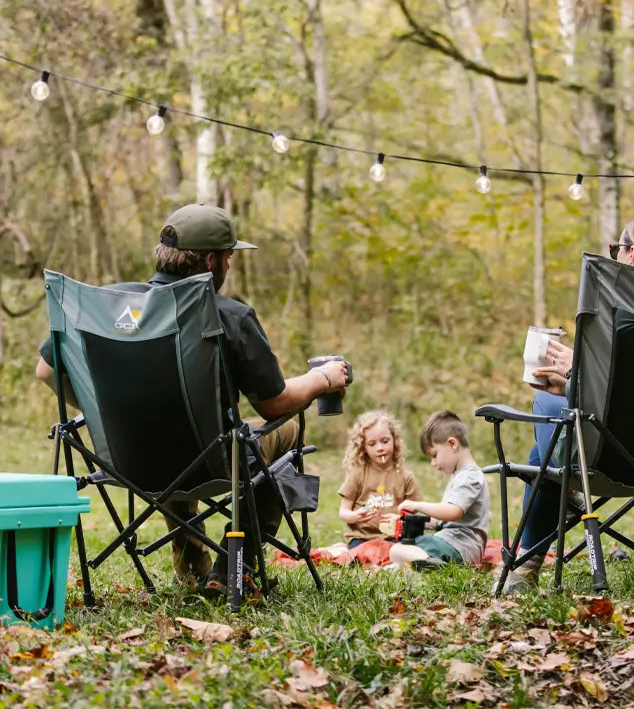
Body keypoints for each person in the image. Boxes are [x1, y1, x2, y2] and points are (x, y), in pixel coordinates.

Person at [35, 203, 350, 594]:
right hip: (210, 461)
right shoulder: (229, 316)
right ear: (211, 262)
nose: (229, 267)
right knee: (281, 432)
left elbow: (46, 371)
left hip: (125, 458)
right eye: (229, 258)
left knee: (170, 438)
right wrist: (321, 378)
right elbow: (275, 405)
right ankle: (237, 565)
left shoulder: (107, 306)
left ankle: (193, 569)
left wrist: (106, 411)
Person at [497, 211, 634, 594]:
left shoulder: (615, 313)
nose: (615, 255)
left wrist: (572, 377)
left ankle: (530, 557)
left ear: (631, 255)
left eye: (618, 249)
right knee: (549, 443)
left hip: (604, 459)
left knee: (545, 425)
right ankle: (533, 553)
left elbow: (612, 405)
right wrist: (578, 374)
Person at [389, 410, 489, 568]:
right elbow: (445, 520)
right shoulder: (460, 475)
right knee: (401, 548)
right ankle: (420, 563)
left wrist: (418, 505)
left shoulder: (470, 476)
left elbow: (453, 512)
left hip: (462, 547)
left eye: (434, 455)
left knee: (397, 550)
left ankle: (431, 565)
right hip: (454, 543)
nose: (433, 463)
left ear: (452, 444)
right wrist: (414, 520)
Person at [338, 410, 422, 549]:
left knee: (403, 552)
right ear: (363, 447)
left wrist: (401, 521)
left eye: (385, 441)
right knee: (363, 555)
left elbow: (416, 514)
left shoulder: (405, 477)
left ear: (394, 441)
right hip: (362, 538)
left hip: (394, 538)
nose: (380, 448)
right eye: (372, 444)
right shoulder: (357, 475)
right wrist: (355, 516)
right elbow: (343, 512)